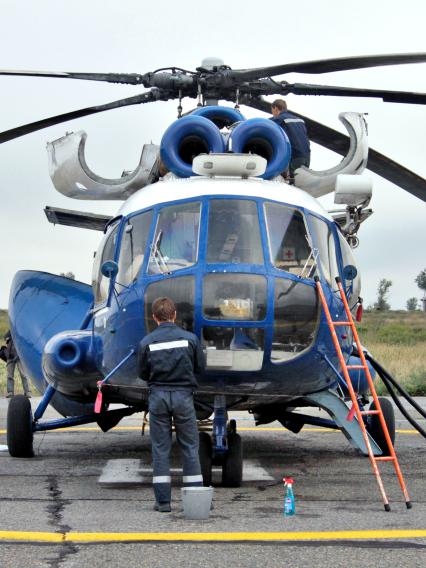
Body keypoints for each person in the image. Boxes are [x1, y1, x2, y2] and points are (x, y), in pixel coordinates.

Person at [138, 297, 204, 512]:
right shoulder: (190, 339)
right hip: (183, 397)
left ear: (155, 317)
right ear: (174, 315)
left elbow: (142, 373)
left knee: (160, 449)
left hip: (158, 397)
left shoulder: (147, 342)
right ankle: (195, 500)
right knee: (190, 447)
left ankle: (163, 502)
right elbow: (200, 368)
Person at [270, 99, 311, 178]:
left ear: (275, 108)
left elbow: (265, 124)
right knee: (300, 183)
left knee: (291, 182)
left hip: (296, 157)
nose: (273, 114)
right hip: (307, 157)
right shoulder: (299, 120)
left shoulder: (280, 119)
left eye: (272, 111)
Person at [0, 331, 32, 398]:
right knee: (10, 376)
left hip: (19, 356)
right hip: (10, 356)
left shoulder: (21, 332)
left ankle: (27, 392)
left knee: (23, 375)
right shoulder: (11, 331)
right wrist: (11, 334)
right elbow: (5, 337)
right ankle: (10, 392)